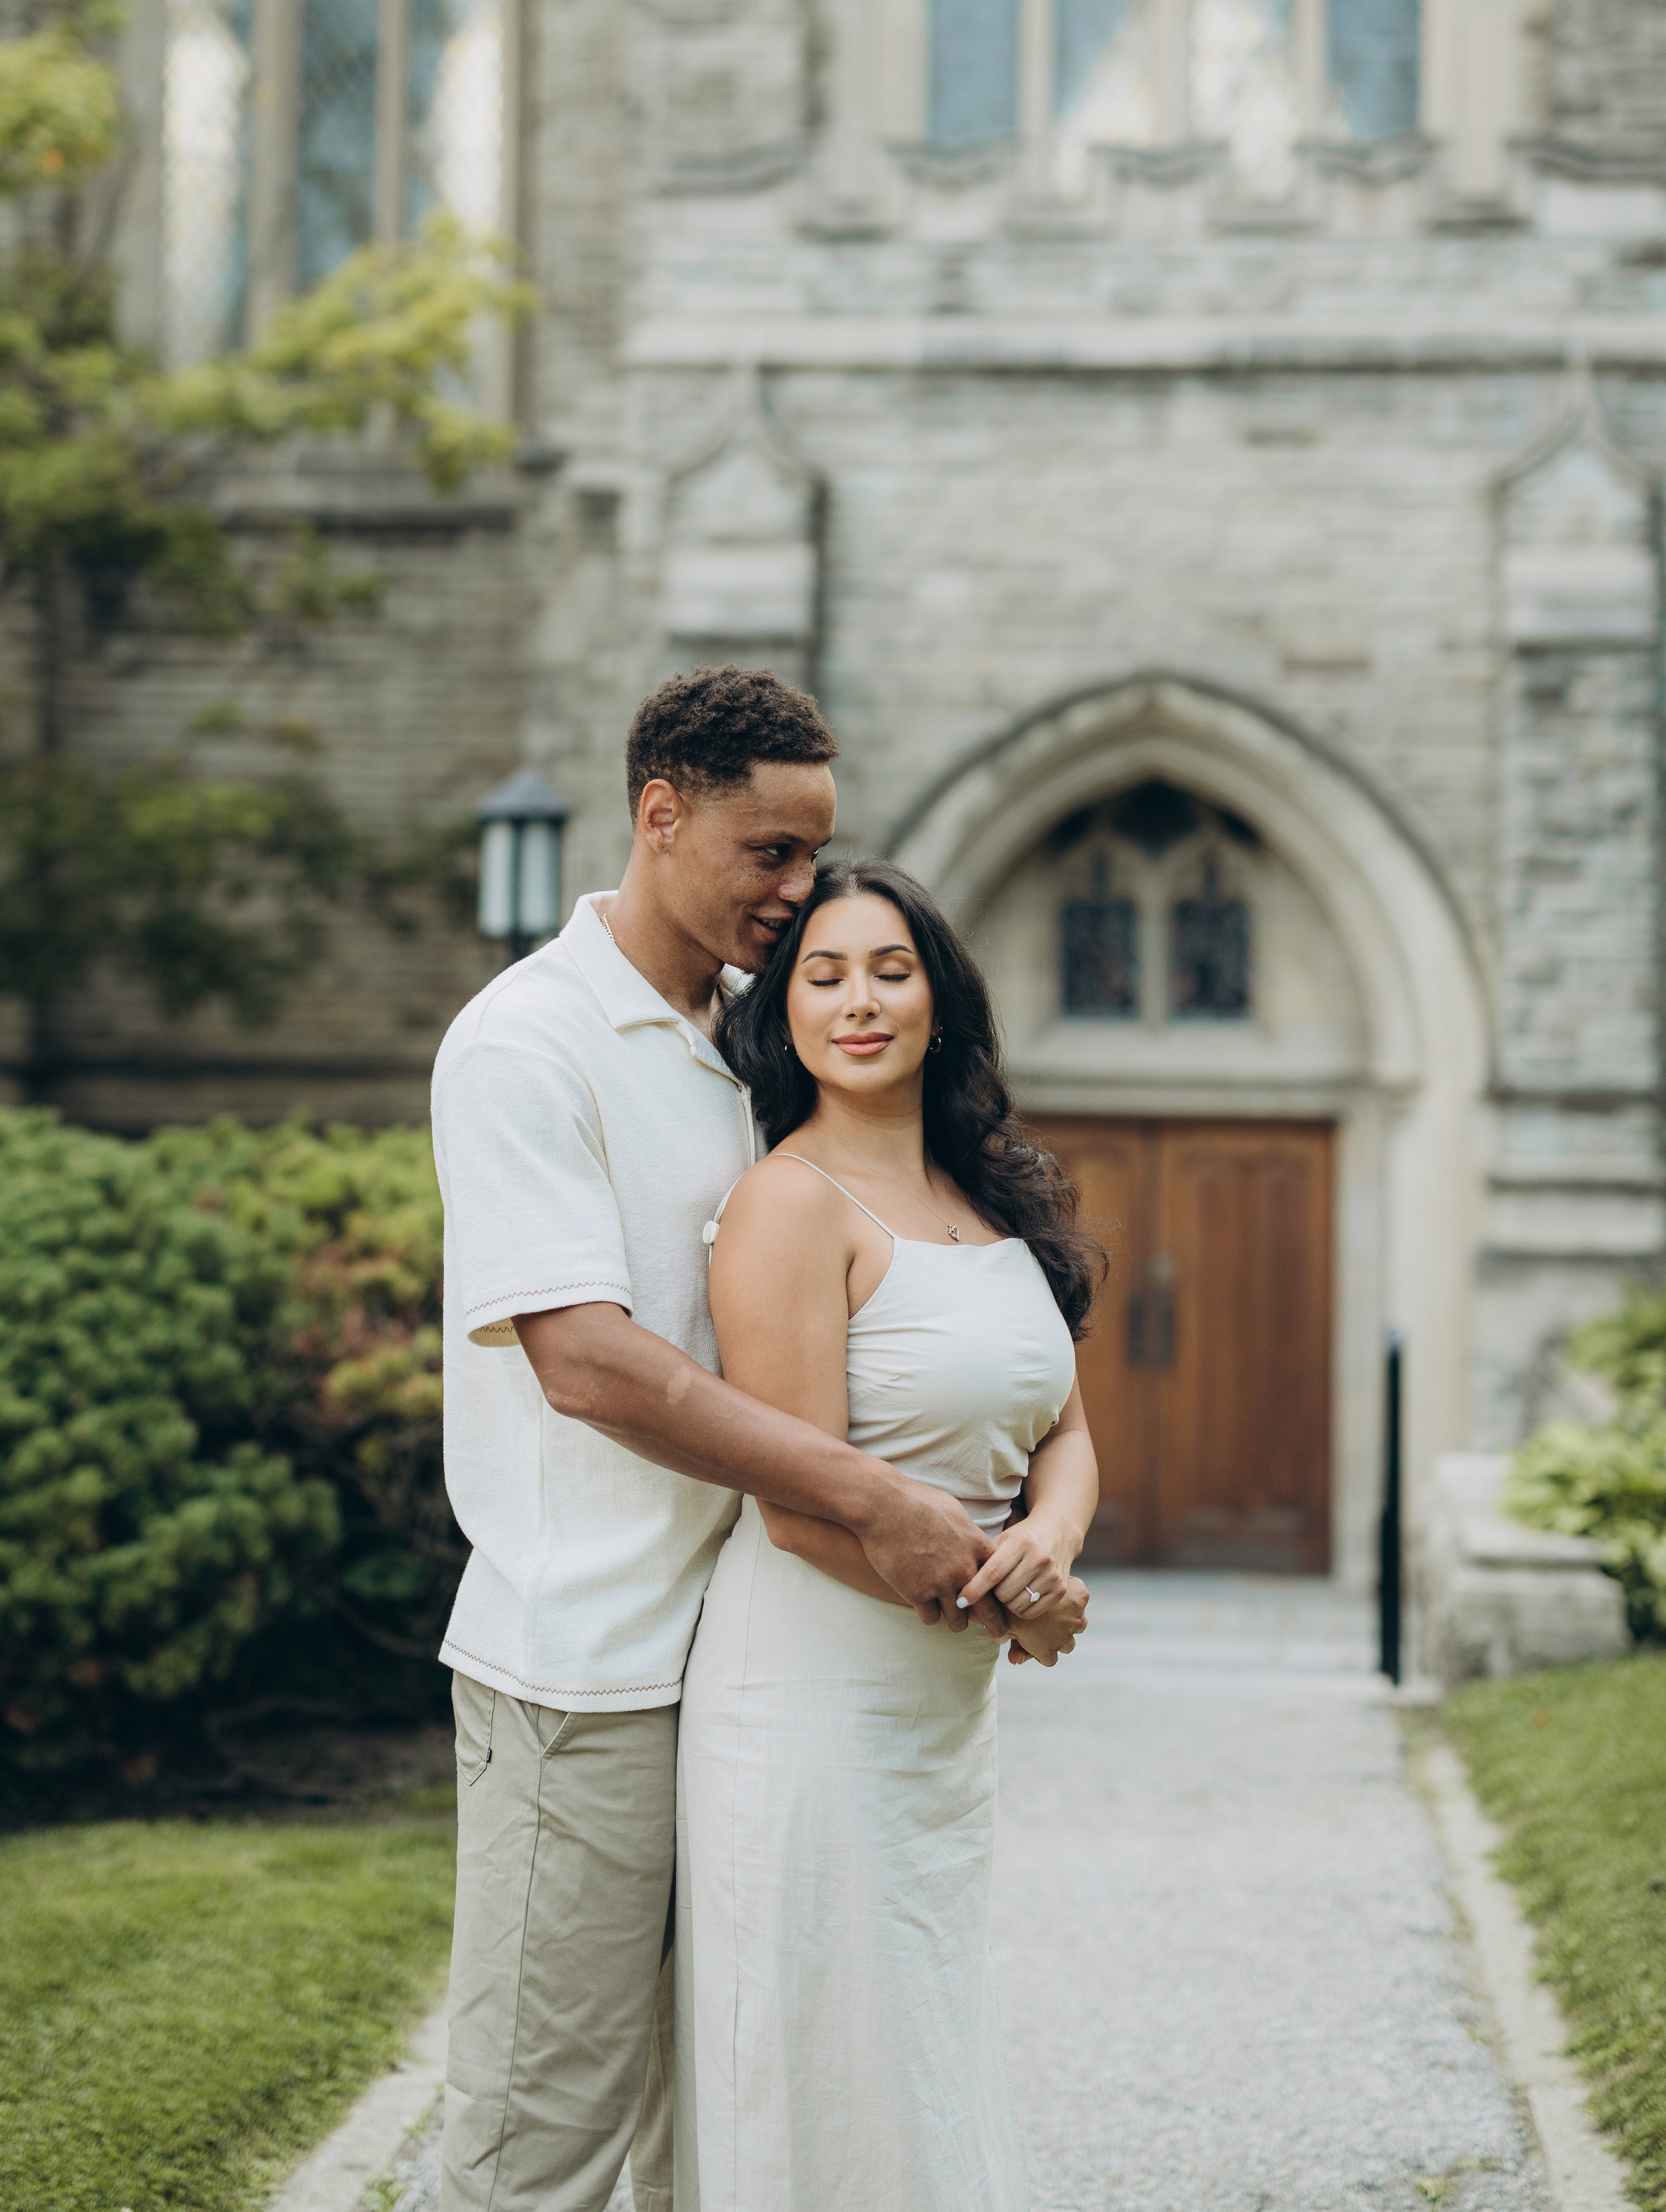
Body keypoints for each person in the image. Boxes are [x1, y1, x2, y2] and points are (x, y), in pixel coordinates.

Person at [432, 669, 1057, 2212]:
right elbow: (584, 1362)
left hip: (743, 1669)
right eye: (769, 853)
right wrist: (871, 1496)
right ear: (661, 816)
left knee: (708, 2133)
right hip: (580, 1670)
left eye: (814, 851)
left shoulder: (753, 1037)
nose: (798, 891)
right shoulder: (526, 1044)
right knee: (535, 2150)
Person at [674, 859, 1104, 2212]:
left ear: (939, 998)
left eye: (889, 969)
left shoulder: (992, 1202)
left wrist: (1055, 1544)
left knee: (918, 2035)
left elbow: (1068, 1432)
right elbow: (797, 1505)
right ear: (783, 1015)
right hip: (813, 1691)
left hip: (939, 1708)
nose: (859, 1001)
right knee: (824, 2058)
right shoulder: (788, 1205)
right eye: (824, 973)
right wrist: (1011, 1603)